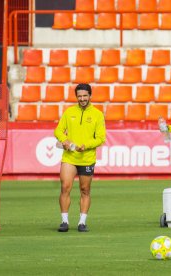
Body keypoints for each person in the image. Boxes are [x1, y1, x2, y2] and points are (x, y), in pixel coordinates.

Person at [54, 83, 106, 232]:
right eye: (79, 96)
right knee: (65, 187)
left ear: (90, 96)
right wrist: (64, 140)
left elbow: (101, 138)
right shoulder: (69, 112)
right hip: (70, 157)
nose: (82, 99)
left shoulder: (97, 114)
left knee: (85, 190)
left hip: (87, 158)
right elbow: (58, 130)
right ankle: (64, 221)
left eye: (85, 96)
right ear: (76, 96)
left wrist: (86, 145)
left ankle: (82, 222)